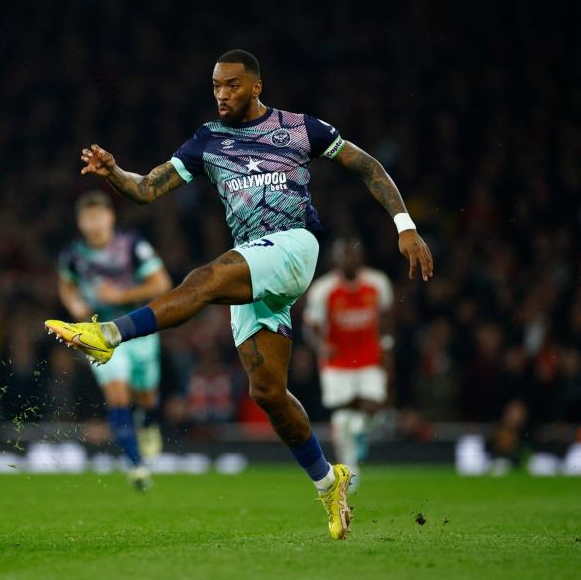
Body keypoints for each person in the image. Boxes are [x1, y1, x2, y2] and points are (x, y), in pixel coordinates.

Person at [45, 49, 434, 540]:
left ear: (255, 86)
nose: (222, 95)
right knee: (267, 391)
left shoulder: (299, 128)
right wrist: (115, 173)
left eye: (231, 85)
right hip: (256, 262)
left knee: (204, 281)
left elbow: (369, 166)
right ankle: (327, 480)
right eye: (215, 87)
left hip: (294, 245)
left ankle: (109, 333)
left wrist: (405, 226)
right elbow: (146, 188)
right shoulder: (208, 140)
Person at [55, 191, 172, 491]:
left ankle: (149, 424)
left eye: (98, 216)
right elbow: (66, 285)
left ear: (110, 217)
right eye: (87, 217)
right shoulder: (73, 254)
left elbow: (161, 283)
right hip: (101, 333)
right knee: (117, 395)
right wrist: (75, 306)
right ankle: (137, 467)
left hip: (138, 330)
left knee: (146, 397)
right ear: (80, 222)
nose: (93, 223)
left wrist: (120, 296)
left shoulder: (132, 245)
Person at [304, 238, 395, 492]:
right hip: (338, 364)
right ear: (336, 260)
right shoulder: (324, 290)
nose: (348, 260)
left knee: (372, 408)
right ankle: (351, 468)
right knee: (343, 417)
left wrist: (387, 346)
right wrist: (321, 344)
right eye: (343, 256)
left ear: (360, 258)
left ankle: (360, 437)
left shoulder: (377, 284)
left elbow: (387, 317)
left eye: (352, 255)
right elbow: (311, 325)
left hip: (369, 360)